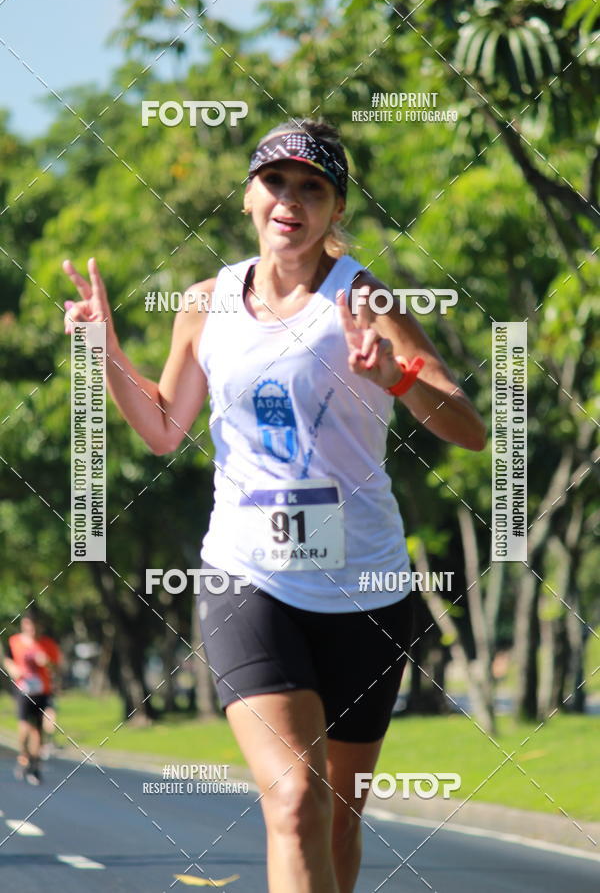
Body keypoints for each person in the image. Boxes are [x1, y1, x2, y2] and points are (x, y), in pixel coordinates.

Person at [62, 118, 486, 892]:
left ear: (336, 210)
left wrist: (396, 376)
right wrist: (102, 351)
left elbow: (467, 426)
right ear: (250, 196)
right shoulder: (206, 302)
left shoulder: (362, 296)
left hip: (366, 585)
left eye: (311, 187)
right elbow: (161, 428)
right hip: (245, 577)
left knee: (337, 815)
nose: (290, 199)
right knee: (294, 800)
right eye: (276, 182)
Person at [5, 611, 62, 785]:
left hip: (42, 691)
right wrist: (12, 668)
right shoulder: (14, 642)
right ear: (23, 625)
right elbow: (7, 660)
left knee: (37, 729)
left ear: (39, 627)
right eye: (28, 626)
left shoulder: (47, 644)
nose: (31, 630)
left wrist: (47, 662)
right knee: (23, 728)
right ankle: (24, 756)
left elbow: (56, 666)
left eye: (34, 626)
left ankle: (35, 766)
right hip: (23, 690)